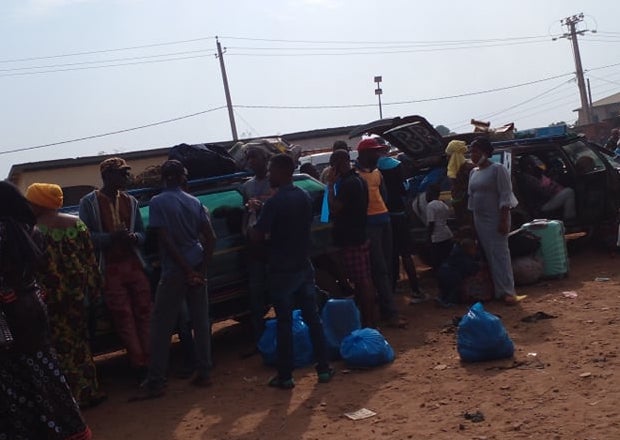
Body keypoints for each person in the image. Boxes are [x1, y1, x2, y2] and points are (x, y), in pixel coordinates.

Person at [0, 181, 92, 440]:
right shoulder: (31, 230)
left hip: (11, 313)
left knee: (14, 379)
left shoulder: (5, 232)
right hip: (36, 304)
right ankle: (72, 426)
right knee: (48, 366)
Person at [250, 154, 334, 389]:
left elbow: (258, 235)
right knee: (313, 319)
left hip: (281, 269)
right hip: (303, 265)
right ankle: (324, 369)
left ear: (282, 171)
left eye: (271, 170)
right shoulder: (304, 196)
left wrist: (254, 212)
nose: (268, 175)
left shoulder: (274, 203)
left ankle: (285, 376)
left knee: (284, 323)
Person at [137, 160, 216, 399]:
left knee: (161, 326)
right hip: (195, 262)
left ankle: (156, 381)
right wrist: (200, 271)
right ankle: (204, 372)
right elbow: (210, 237)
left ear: (163, 178)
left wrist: (186, 270)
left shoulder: (158, 202)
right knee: (201, 321)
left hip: (175, 271)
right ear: (182, 177)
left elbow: (165, 239)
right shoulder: (194, 202)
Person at [25, 183, 106, 409]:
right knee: (81, 343)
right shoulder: (77, 223)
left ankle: (71, 397)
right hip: (78, 295)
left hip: (50, 299)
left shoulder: (32, 231)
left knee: (58, 347)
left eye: (31, 201)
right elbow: (90, 261)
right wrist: (95, 289)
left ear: (39, 203)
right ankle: (91, 389)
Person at [79, 157, 152, 375]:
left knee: (145, 312)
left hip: (133, 263)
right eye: (121, 173)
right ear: (107, 176)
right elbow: (86, 237)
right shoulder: (89, 203)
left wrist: (133, 238)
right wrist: (111, 238)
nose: (126, 177)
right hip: (109, 267)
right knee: (123, 317)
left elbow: (142, 233)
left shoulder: (131, 201)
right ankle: (139, 364)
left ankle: (151, 362)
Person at [357, 138, 406, 328]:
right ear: (364, 154)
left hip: (384, 220)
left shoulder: (377, 173)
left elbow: (383, 196)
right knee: (380, 269)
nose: (378, 155)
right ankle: (389, 313)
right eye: (375, 152)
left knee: (387, 265)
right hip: (370, 225)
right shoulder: (356, 175)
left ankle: (386, 308)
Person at [326, 149, 377, 327]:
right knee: (364, 280)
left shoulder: (348, 184)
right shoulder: (359, 180)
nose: (333, 169)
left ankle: (369, 321)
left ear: (340, 162)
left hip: (351, 239)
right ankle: (369, 320)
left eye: (333, 165)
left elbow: (333, 209)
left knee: (362, 282)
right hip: (359, 234)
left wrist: (330, 186)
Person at [467, 137, 518, 305]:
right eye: (471, 152)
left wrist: (503, 220)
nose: (473, 155)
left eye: (475, 151)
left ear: (485, 152)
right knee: (488, 255)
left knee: (500, 255)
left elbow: (505, 196)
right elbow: (471, 199)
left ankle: (508, 291)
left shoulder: (498, 169)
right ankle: (496, 290)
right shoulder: (473, 173)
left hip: (496, 218)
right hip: (480, 219)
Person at [376, 149, 424, 304]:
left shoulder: (374, 170)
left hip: (383, 215)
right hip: (399, 213)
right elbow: (404, 188)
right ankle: (416, 290)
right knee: (406, 254)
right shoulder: (397, 165)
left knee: (391, 254)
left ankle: (392, 290)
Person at [240, 146, 275, 351]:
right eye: (249, 159)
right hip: (255, 244)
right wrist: (245, 230)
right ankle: (260, 340)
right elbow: (246, 212)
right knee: (256, 295)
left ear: (265, 159)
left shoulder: (275, 180)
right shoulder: (247, 186)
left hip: (273, 243)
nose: (252, 162)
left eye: (255, 157)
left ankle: (282, 336)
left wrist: (264, 205)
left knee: (278, 292)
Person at [518, 155, 576, 220]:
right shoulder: (529, 179)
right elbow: (544, 193)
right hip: (541, 205)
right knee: (569, 192)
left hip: (543, 201)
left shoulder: (530, 175)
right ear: (529, 166)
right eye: (533, 163)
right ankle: (570, 219)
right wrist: (553, 187)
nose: (536, 165)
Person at [436, 239, 480, 307]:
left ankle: (442, 297)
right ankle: (448, 301)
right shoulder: (463, 258)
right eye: (474, 248)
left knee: (446, 288)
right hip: (450, 276)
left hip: (442, 272)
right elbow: (471, 269)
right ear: (468, 248)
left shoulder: (456, 253)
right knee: (456, 286)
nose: (475, 251)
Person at [426, 184, 454, 271]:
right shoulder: (443, 204)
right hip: (447, 234)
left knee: (437, 262)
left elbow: (431, 223)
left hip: (437, 237)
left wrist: (428, 237)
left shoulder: (430, 206)